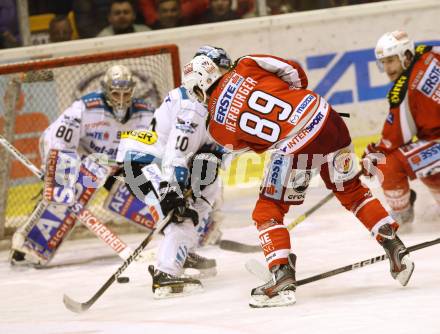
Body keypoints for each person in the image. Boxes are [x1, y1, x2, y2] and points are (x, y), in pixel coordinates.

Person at [182, 54, 415, 308]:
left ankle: (282, 275)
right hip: (327, 118)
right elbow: (295, 72)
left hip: (296, 148)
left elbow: (256, 147)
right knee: (353, 191)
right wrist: (292, 102)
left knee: (267, 211)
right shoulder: (246, 63)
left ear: (199, 87)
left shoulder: (216, 128)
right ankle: (396, 249)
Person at [10, 65, 155, 266]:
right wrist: (56, 173)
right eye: (115, 93)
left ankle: (183, 229)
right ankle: (30, 245)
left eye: (126, 92)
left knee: (144, 195)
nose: (121, 99)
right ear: (106, 90)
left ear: (132, 90)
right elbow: (55, 139)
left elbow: (159, 146)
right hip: (89, 162)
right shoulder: (85, 109)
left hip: (122, 166)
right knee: (69, 193)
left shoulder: (146, 113)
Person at [117, 46, 232, 298]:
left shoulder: (208, 101)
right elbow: (175, 155)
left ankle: (182, 252)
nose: (226, 81)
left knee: (209, 187)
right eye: (221, 73)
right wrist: (171, 189)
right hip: (144, 164)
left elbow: (214, 146)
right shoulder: (193, 106)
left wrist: (217, 154)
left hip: (158, 161)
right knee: (180, 212)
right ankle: (165, 273)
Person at [362, 31, 440, 225]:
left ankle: (402, 214)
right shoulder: (429, 52)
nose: (387, 68)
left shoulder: (403, 91)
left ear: (405, 56)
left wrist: (372, 154)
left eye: (391, 61)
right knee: (422, 157)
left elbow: (392, 140)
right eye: (383, 62)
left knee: (386, 162)